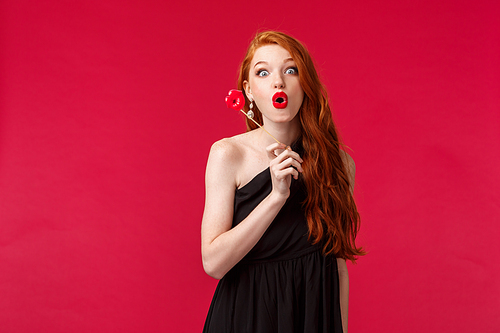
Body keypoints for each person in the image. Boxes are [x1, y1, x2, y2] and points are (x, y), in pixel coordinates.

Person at [201, 31, 364, 333]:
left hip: (313, 316)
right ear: (248, 91)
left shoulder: (341, 166)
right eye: (263, 72)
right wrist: (276, 197)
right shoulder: (228, 154)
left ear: (306, 83)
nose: (278, 82)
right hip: (247, 318)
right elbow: (213, 263)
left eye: (291, 70)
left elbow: (339, 266)